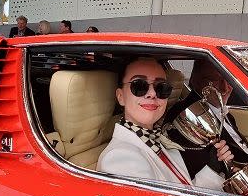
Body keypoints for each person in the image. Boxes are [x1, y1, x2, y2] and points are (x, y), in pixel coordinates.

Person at [98, 58, 233, 189]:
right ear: (120, 97)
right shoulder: (119, 159)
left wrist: (213, 169)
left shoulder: (157, 139)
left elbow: (185, 193)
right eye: (139, 86)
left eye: (161, 87)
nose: (152, 93)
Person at [165, 60, 248, 178]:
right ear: (195, 80)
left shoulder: (219, 109)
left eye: (229, 79)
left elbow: (236, 146)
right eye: (215, 80)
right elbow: (202, 168)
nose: (225, 88)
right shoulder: (187, 118)